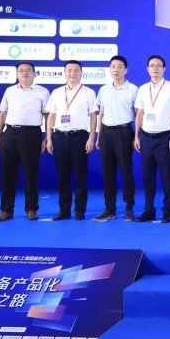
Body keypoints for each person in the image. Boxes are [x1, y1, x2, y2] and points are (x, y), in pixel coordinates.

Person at [0, 61, 49, 222]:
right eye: (21, 70)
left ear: (34, 73)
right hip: (10, 133)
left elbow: (47, 116)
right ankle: (6, 210)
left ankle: (31, 209)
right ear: (17, 74)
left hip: (31, 134)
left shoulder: (42, 92)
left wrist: (47, 137)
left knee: (31, 173)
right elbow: (3, 114)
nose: (24, 73)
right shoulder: (9, 91)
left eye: (28, 70)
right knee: (8, 173)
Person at [45, 60, 98, 221]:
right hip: (59, 136)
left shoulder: (88, 92)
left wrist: (91, 137)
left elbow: (93, 116)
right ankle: (64, 211)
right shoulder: (56, 92)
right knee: (63, 176)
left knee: (81, 176)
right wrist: (49, 139)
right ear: (64, 72)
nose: (72, 73)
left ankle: (80, 210)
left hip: (80, 137)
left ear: (81, 73)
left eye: (76, 70)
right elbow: (51, 116)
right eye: (69, 70)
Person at [133, 55, 170, 223]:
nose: (155, 68)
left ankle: (167, 211)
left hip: (164, 137)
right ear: (147, 69)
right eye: (152, 65)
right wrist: (136, 136)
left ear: (164, 68)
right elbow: (140, 113)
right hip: (145, 137)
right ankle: (149, 210)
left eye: (158, 65)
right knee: (148, 177)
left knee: (167, 177)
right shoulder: (142, 89)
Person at [94, 55, 139, 221]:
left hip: (124, 133)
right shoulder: (104, 90)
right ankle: (110, 209)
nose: (116, 70)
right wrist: (98, 136)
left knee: (126, 172)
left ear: (126, 70)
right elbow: (101, 113)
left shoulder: (133, 89)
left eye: (120, 67)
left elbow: (138, 115)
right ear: (109, 69)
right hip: (106, 133)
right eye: (113, 66)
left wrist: (136, 136)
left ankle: (129, 208)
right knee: (107, 173)